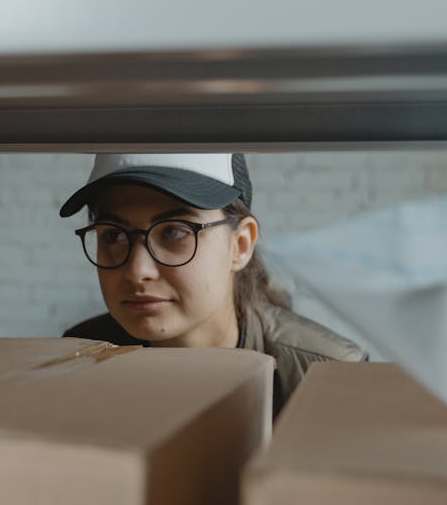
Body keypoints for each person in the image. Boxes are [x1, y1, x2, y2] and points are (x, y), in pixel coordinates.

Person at [60, 153, 365, 418]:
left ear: (240, 245)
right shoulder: (81, 355)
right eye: (113, 235)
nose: (137, 271)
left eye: (175, 232)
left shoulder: (327, 377)